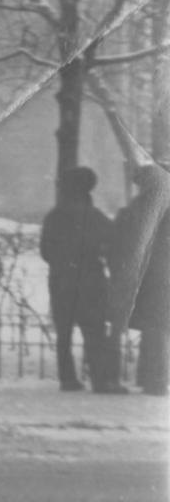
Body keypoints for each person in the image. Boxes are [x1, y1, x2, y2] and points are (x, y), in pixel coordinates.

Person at [38, 165, 116, 392]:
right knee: (94, 332)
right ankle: (100, 380)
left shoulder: (54, 217)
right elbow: (113, 245)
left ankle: (67, 378)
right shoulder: (96, 217)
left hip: (62, 282)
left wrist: (63, 263)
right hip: (91, 282)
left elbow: (46, 252)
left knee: (64, 332)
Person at [114, 163, 170, 396]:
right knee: (156, 326)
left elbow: (139, 240)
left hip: (155, 273)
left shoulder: (149, 203)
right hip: (159, 272)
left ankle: (154, 380)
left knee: (155, 326)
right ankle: (152, 378)